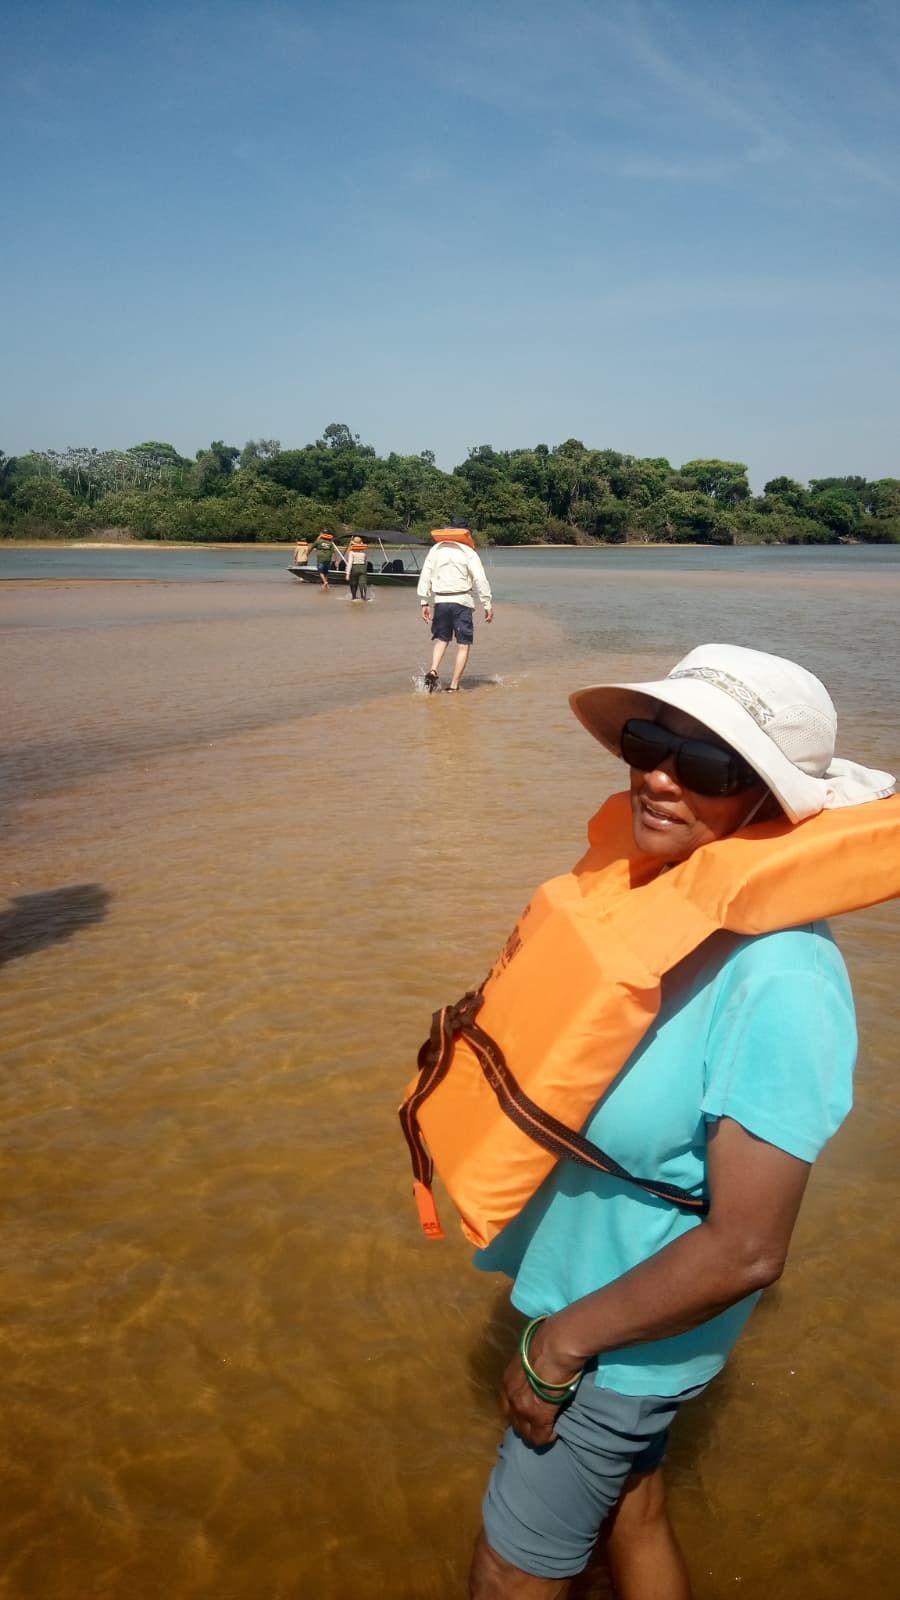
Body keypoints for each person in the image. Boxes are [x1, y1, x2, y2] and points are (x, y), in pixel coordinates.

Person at [452, 644, 895, 1598]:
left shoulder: (783, 980)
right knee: (632, 1504)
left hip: (618, 1340)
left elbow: (748, 1249)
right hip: (593, 1302)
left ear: (772, 800)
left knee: (509, 1571)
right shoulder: (657, 905)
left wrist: (561, 1346)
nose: (658, 777)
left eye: (704, 764)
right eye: (648, 745)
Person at [417, 524, 493, 692]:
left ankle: (433, 669)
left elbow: (425, 575)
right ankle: (453, 686)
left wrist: (424, 602)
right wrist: (487, 604)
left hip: (441, 600)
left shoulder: (435, 549)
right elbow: (480, 579)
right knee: (463, 645)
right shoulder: (468, 552)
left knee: (442, 639)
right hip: (462, 601)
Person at [345, 535, 369, 602]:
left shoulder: (351, 552)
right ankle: (363, 597)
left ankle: (354, 597)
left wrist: (347, 574)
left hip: (354, 568)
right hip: (363, 568)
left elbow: (349, 563)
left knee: (353, 584)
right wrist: (365, 570)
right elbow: (366, 562)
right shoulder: (364, 552)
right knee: (362, 583)